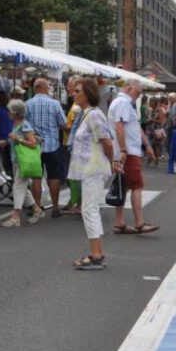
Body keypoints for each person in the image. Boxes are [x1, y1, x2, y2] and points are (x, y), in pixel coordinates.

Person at [68, 79, 116, 269]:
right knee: (90, 209)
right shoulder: (86, 114)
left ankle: (96, 254)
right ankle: (96, 252)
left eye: (77, 91)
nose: (74, 93)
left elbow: (107, 142)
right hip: (89, 169)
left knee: (89, 210)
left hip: (94, 169)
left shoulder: (94, 115)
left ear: (87, 94)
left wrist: (111, 162)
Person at [108, 79, 159, 235]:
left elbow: (134, 126)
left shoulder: (124, 103)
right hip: (128, 151)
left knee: (123, 185)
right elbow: (119, 127)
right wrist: (124, 149)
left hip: (127, 150)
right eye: (138, 92)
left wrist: (147, 145)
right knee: (136, 186)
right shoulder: (123, 103)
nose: (138, 95)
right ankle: (139, 223)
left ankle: (120, 222)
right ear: (130, 88)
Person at [25, 78, 66, 217]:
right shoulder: (54, 104)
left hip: (34, 146)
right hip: (52, 145)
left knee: (37, 177)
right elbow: (63, 124)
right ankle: (55, 208)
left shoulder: (27, 104)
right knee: (54, 176)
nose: (49, 88)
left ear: (35, 88)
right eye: (48, 86)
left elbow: (24, 126)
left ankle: (37, 207)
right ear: (43, 88)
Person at [0, 100, 44, 227]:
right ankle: (36, 209)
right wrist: (8, 142)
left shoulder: (25, 125)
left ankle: (16, 216)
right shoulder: (16, 125)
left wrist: (17, 139)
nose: (8, 113)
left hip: (23, 160)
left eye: (10, 111)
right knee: (22, 187)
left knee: (18, 187)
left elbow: (33, 143)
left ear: (15, 113)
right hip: (17, 159)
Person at [62, 76, 84, 215]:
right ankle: (74, 202)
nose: (68, 87)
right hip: (71, 144)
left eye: (70, 85)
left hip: (74, 146)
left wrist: (63, 126)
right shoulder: (76, 106)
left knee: (75, 177)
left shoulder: (76, 108)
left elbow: (76, 128)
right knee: (73, 177)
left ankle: (78, 204)